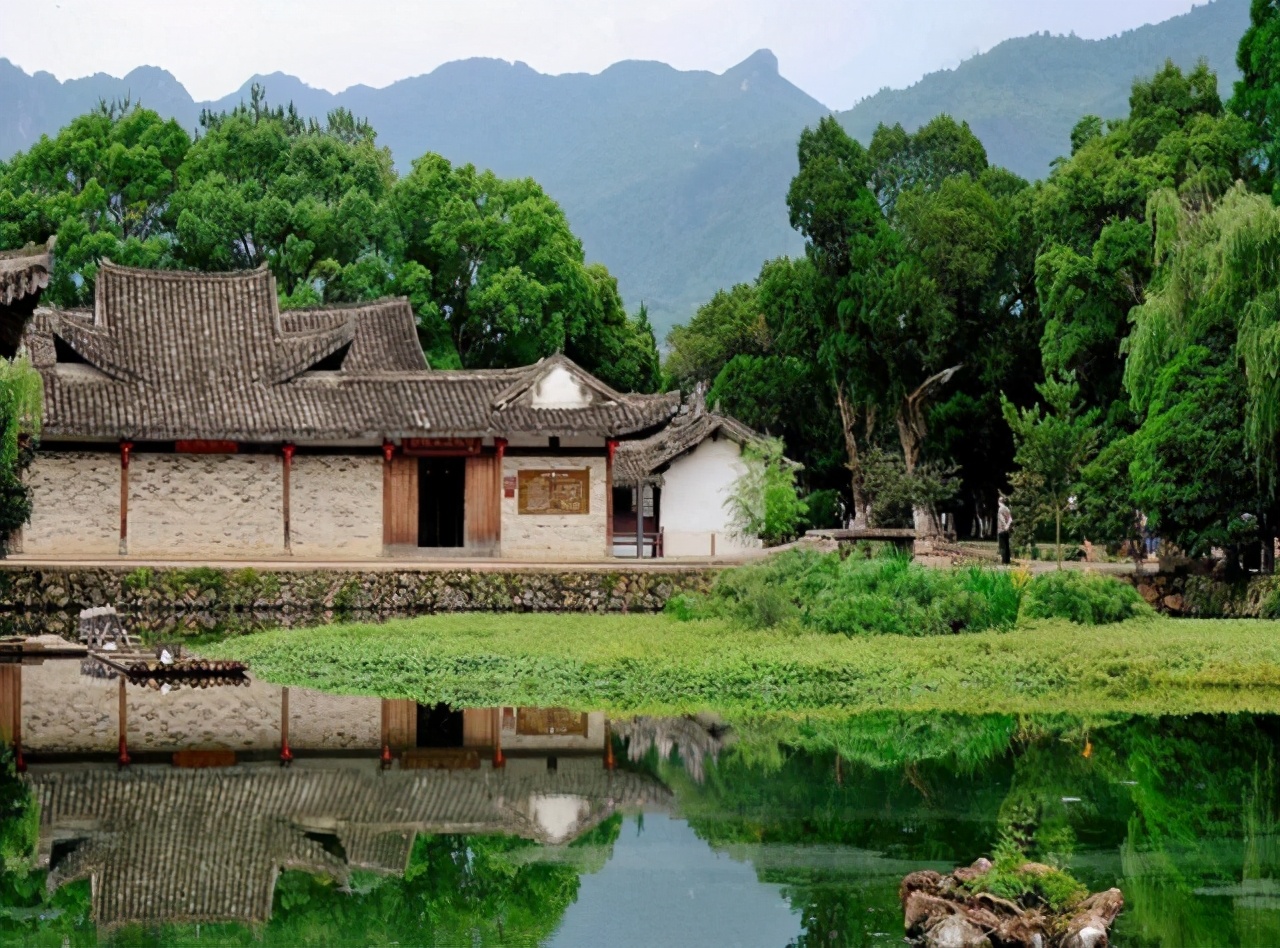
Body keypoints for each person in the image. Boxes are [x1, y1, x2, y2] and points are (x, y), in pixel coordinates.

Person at [997, 495, 1013, 566]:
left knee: (1002, 546)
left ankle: (1003, 561)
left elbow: (1001, 519)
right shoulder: (1007, 509)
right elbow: (1010, 519)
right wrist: (1008, 526)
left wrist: (1005, 526)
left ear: (999, 502)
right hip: (1006, 530)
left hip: (1001, 530)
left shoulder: (1000, 509)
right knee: (1007, 545)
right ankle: (1008, 561)